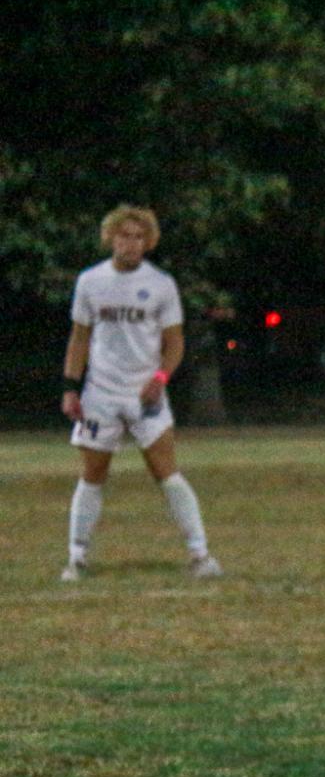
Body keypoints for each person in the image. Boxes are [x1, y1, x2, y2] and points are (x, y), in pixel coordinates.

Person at [60, 205, 219, 582]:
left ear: (147, 243)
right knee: (92, 474)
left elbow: (174, 342)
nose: (129, 243)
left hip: (145, 395)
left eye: (137, 237)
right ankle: (77, 557)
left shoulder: (161, 284)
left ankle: (200, 554)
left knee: (167, 472)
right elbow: (79, 338)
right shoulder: (90, 282)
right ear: (110, 237)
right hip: (100, 393)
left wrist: (162, 377)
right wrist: (71, 387)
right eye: (122, 235)